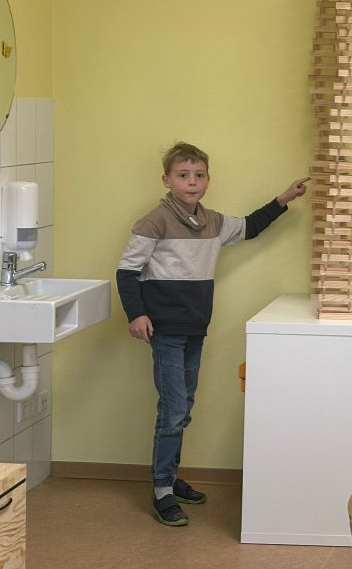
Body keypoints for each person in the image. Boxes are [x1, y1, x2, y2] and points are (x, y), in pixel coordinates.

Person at [117, 141, 307, 527]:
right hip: (165, 328)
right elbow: (126, 271)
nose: (192, 181)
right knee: (173, 410)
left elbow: (250, 226)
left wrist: (283, 199)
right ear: (167, 180)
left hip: (195, 327)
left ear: (208, 180)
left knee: (184, 406)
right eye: (183, 175)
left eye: (199, 175)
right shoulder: (154, 221)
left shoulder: (213, 222)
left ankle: (170, 476)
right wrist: (136, 314)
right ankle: (162, 489)